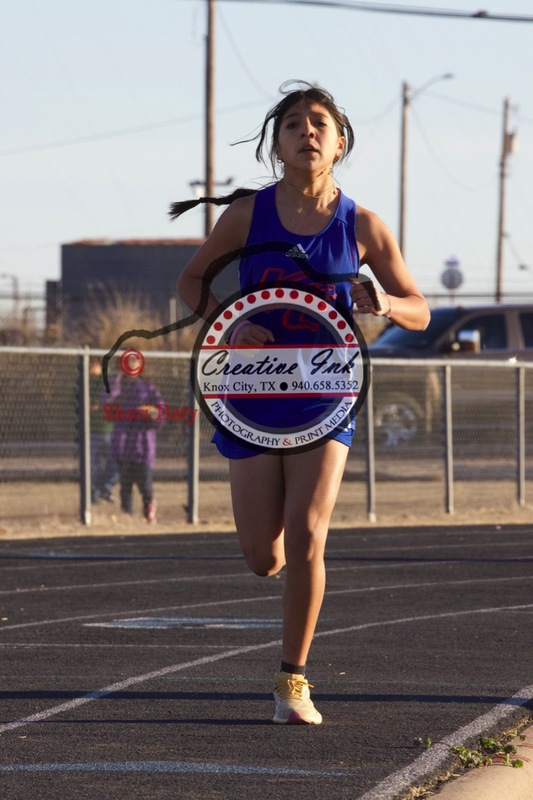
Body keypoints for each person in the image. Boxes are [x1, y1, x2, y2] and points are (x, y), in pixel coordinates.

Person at [175, 81, 430, 725]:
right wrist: (226, 322)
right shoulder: (245, 215)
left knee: (311, 537)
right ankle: (283, 558)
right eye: (293, 123)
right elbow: (190, 280)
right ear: (277, 143)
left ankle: (293, 680)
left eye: (319, 122)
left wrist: (386, 303)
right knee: (264, 556)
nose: (306, 131)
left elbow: (419, 309)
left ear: (340, 141)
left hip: (325, 396)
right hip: (252, 395)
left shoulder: (364, 225)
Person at [106, 356, 166, 524]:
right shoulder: (117, 385)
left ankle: (149, 514)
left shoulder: (148, 388)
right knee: (125, 486)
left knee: (145, 485)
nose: (131, 365)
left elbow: (161, 413)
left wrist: (152, 413)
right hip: (123, 444)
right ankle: (127, 517)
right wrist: (116, 380)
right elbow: (106, 401)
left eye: (134, 361)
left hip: (143, 445)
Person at [89, 357, 119, 504]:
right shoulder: (83, 380)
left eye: (92, 364)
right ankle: (94, 495)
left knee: (116, 463)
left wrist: (98, 404)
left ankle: (105, 488)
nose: (89, 367)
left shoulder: (110, 379)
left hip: (109, 430)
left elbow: (111, 395)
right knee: (93, 465)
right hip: (91, 431)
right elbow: (75, 398)